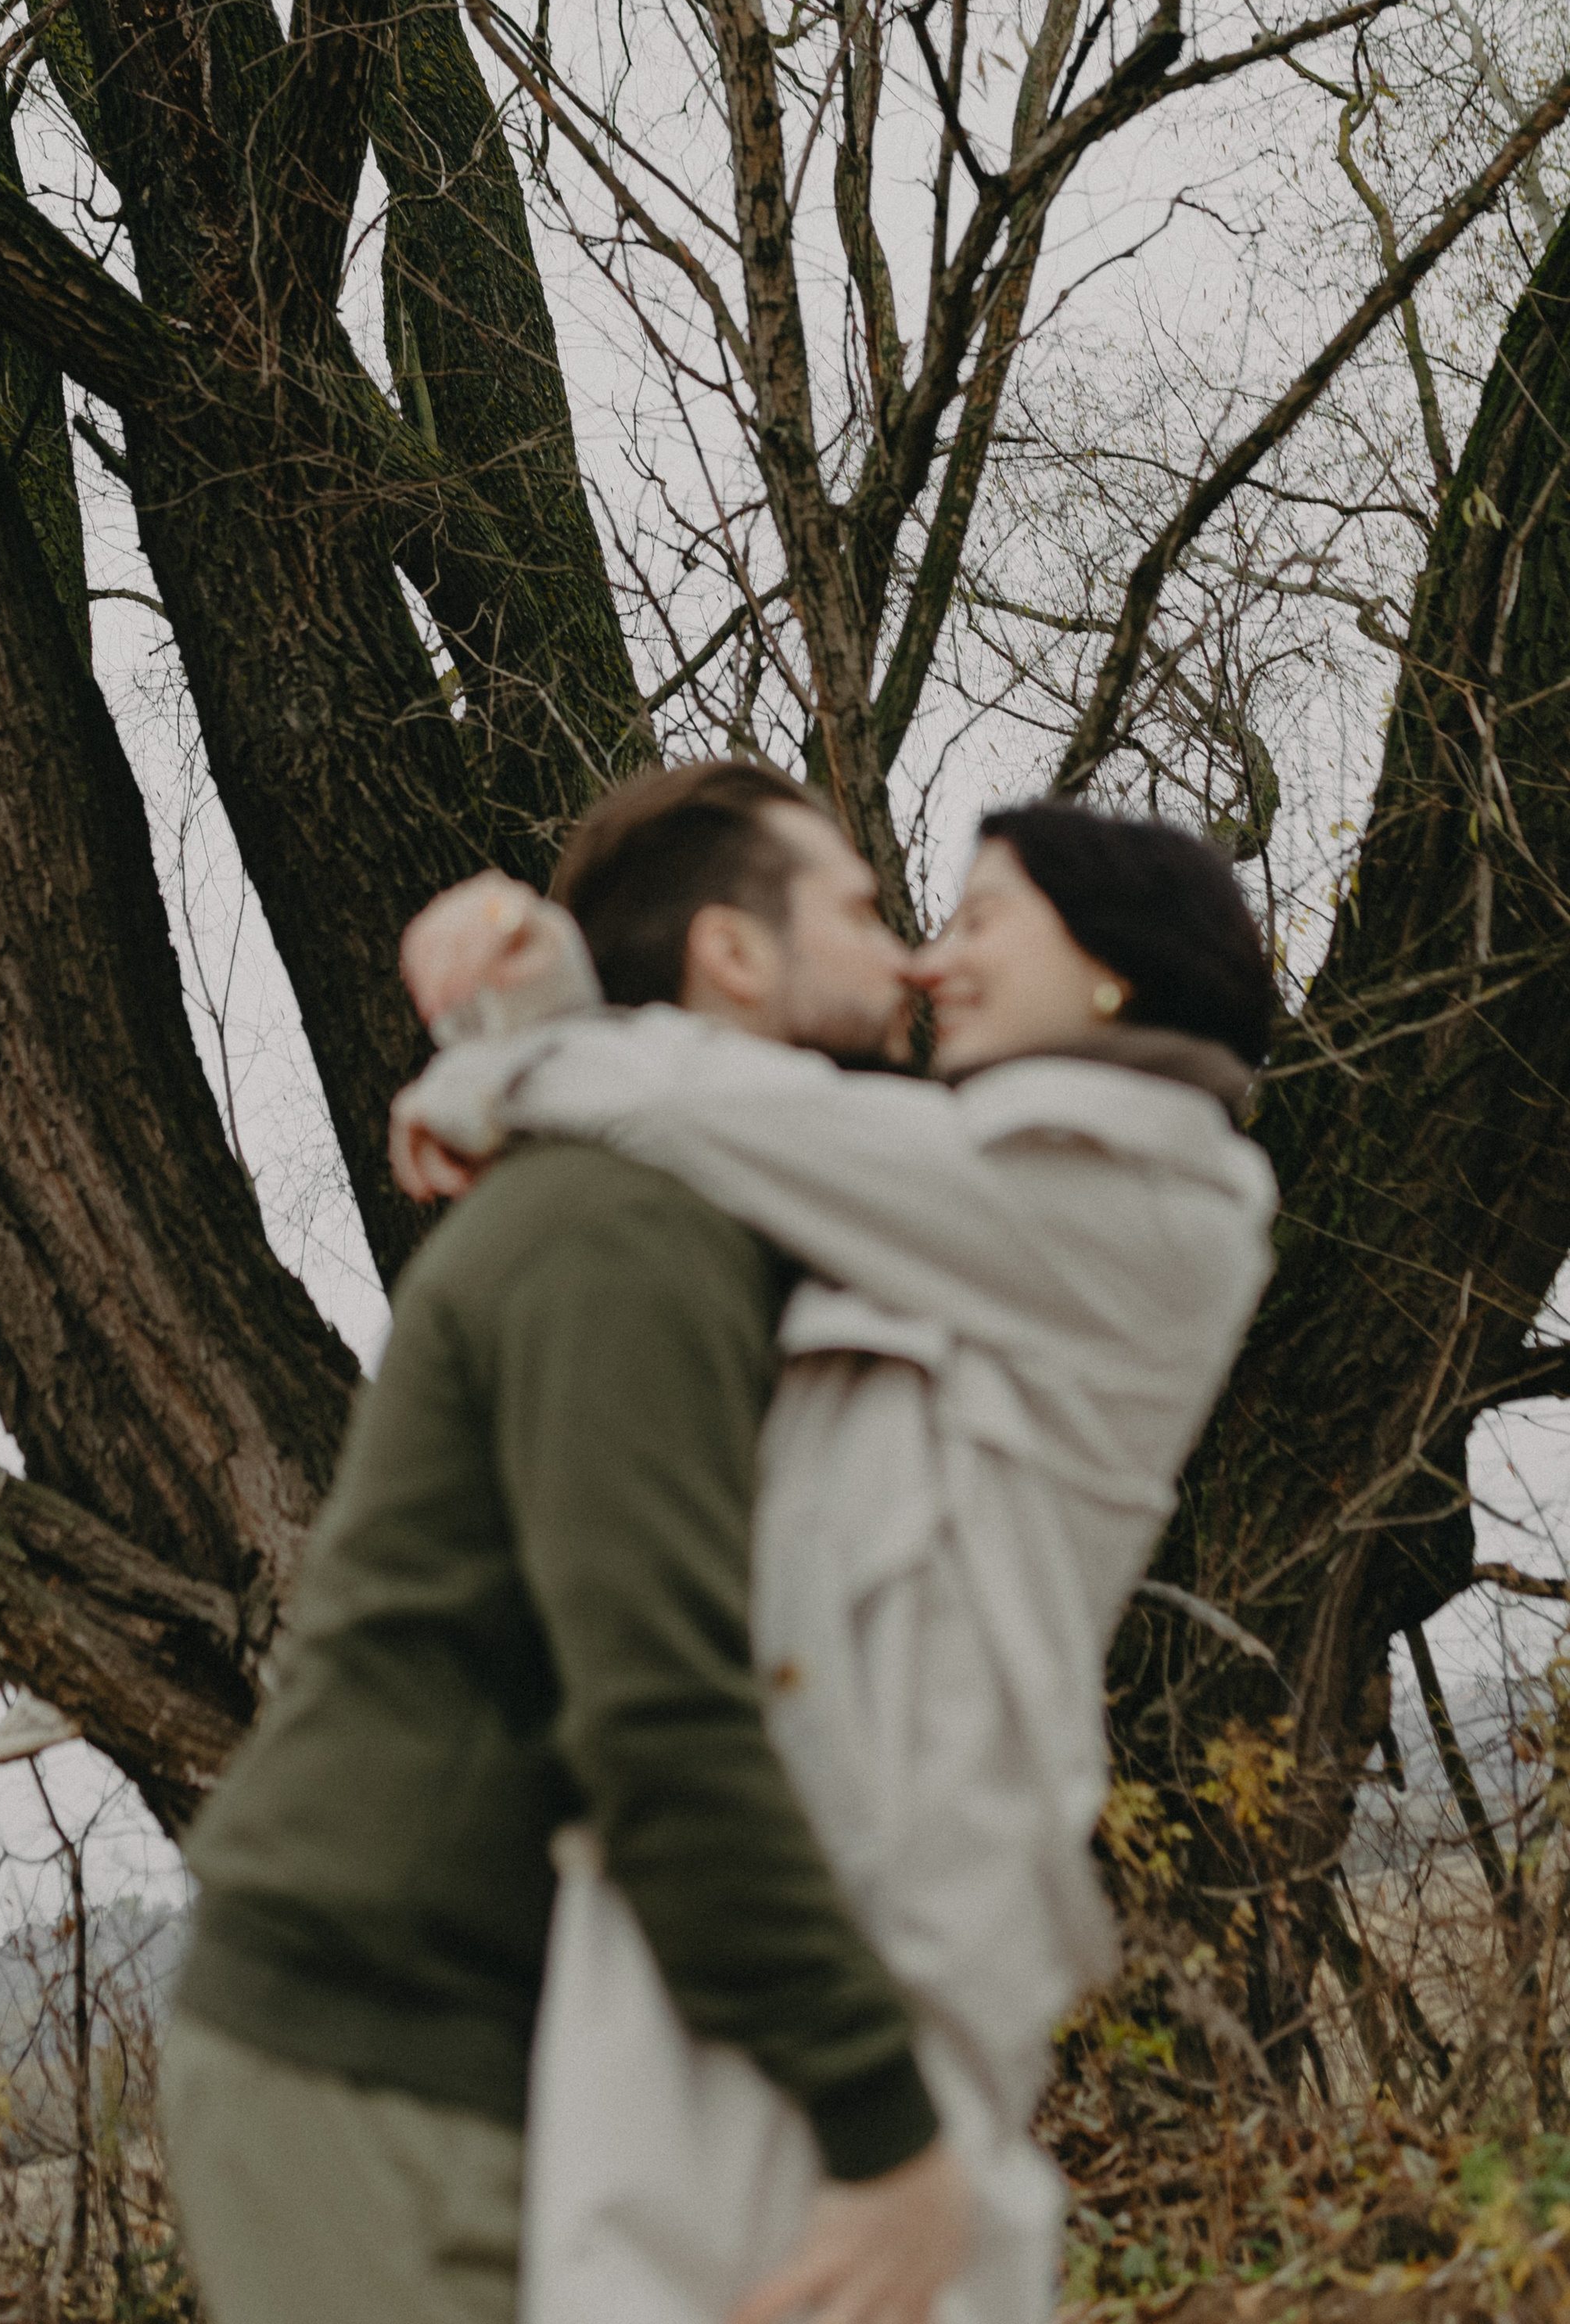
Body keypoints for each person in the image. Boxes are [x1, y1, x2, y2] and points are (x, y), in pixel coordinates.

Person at [393, 787, 1279, 2324]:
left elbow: (735, 1117)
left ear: (1113, 968)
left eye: (978, 918)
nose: (932, 965)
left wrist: (521, 1046)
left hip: (900, 1925)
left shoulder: (1158, 1198)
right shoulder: (951, 1200)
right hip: (779, 1910)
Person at [161, 762, 973, 2324]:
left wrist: (510, 1059)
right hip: (366, 2058)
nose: (911, 958)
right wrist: (886, 2130)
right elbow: (657, 1716)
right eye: (864, 914)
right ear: (735, 956)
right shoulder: (622, 1237)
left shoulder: (694, 1224)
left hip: (486, 2053)